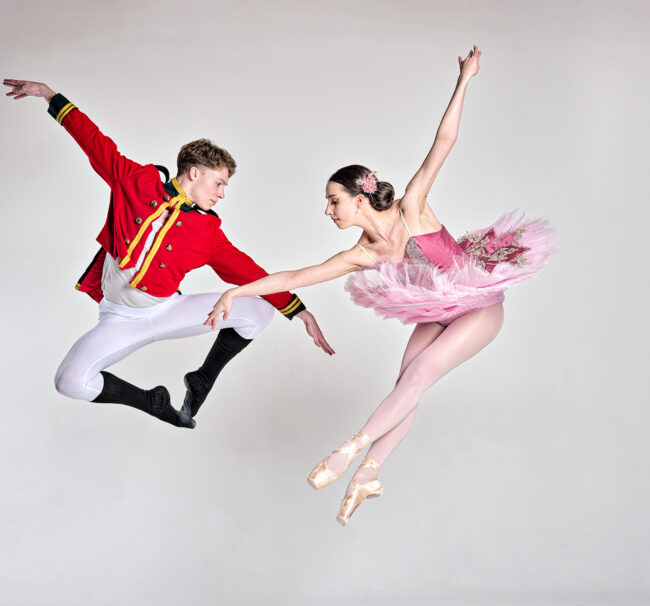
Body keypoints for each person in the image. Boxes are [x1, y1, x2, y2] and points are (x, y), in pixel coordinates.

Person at [203, 46, 556, 525]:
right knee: (405, 386)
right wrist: (234, 292)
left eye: (333, 202)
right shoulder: (360, 254)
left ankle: (349, 450)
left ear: (358, 198)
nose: (328, 211)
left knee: (418, 376)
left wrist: (464, 80)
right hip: (438, 312)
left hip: (479, 307)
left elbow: (443, 142)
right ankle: (369, 475)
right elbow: (292, 277)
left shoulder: (412, 210)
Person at [4, 79, 333, 428]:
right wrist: (50, 96)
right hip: (119, 318)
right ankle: (152, 402)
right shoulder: (135, 180)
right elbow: (94, 142)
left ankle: (202, 378)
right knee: (69, 382)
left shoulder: (208, 232)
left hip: (168, 311)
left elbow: (248, 271)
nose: (222, 193)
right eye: (219, 183)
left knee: (260, 308)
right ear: (195, 173)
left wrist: (300, 312)